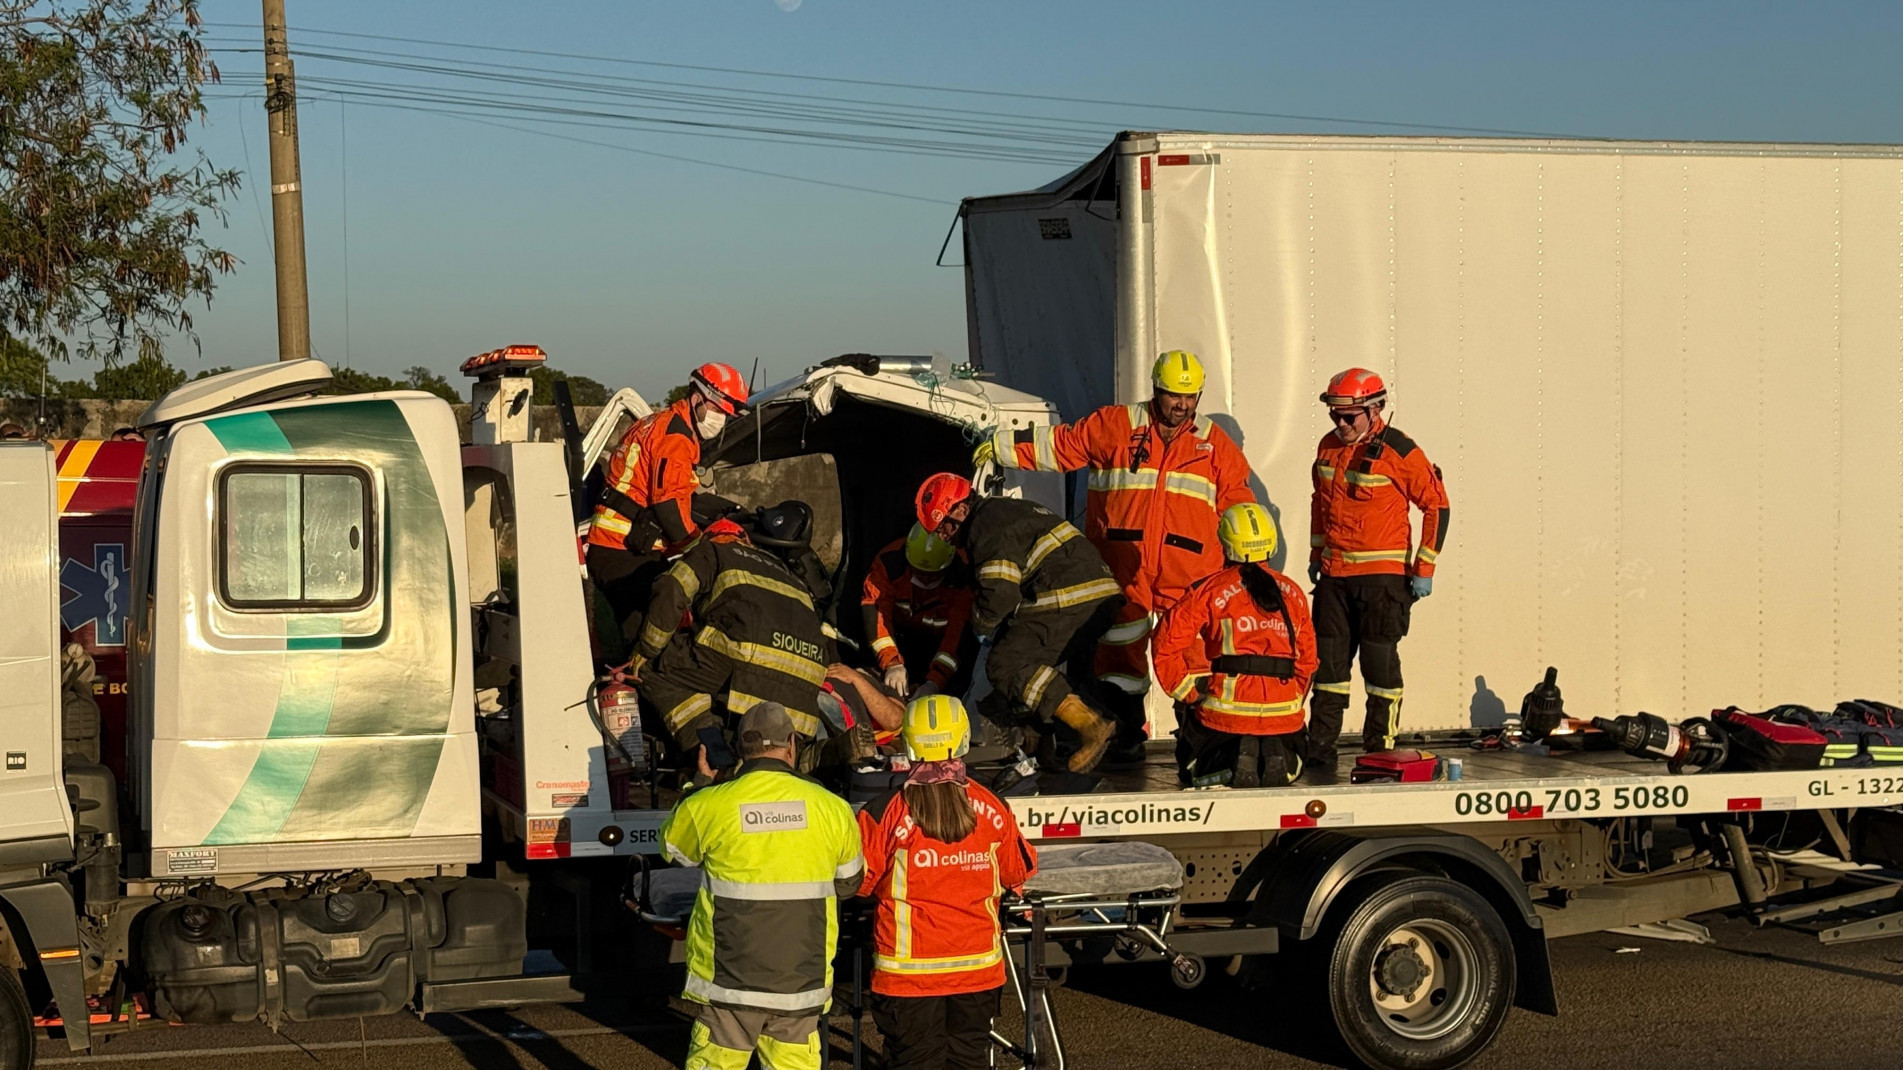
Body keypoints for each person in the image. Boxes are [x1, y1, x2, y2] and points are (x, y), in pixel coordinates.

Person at [974, 350, 1255, 762]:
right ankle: (1125, 739)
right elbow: (1061, 447)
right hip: (1124, 569)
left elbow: (1238, 504)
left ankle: (1204, 745)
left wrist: (1246, 564)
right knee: (1119, 659)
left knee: (1194, 660)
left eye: (1190, 397)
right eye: (1173, 396)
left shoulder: (1216, 446)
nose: (1181, 405)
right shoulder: (1116, 426)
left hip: (1192, 575)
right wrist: (1001, 447)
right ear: (1156, 391)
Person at [660, 702, 864, 1070]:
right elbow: (849, 884)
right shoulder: (833, 808)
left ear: (739, 749)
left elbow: (675, 853)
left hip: (729, 985)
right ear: (791, 745)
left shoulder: (709, 804)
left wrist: (702, 783)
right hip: (800, 984)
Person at [857, 695, 1037, 1070]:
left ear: (907, 742)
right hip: (976, 973)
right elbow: (1017, 871)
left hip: (906, 978)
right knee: (969, 1060)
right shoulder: (993, 807)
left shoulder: (883, 813)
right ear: (965, 739)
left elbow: (859, 883)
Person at [915, 473, 1120, 772]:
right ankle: (1069, 737)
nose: (944, 537)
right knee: (1033, 668)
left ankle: (1090, 725)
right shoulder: (1004, 512)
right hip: (1098, 598)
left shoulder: (984, 526)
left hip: (1067, 596)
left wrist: (980, 628)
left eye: (944, 527)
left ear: (960, 510)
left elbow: (999, 595)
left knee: (1005, 664)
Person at [1307, 368, 1450, 781]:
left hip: (1382, 581)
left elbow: (1437, 506)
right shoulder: (1328, 446)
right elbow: (1320, 502)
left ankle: (1380, 750)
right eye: (1336, 415)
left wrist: (1424, 568)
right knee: (1329, 671)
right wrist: (1317, 553)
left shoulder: (1400, 451)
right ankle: (1320, 748)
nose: (1341, 424)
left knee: (1379, 669)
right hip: (1335, 578)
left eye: (1350, 416)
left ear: (1375, 409)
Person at [630, 517, 829, 767]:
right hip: (807, 678)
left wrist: (646, 649)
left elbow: (672, 587)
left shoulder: (713, 551)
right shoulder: (790, 575)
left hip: (746, 658)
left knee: (652, 668)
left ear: (713, 537)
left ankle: (715, 758)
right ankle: (815, 754)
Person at [586, 362, 749, 655]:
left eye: (727, 414)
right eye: (719, 411)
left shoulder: (658, 424)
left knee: (653, 629)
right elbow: (667, 504)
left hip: (621, 548)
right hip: (622, 551)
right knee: (653, 639)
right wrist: (699, 548)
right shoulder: (676, 438)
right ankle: (633, 691)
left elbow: (678, 496)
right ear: (697, 398)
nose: (721, 420)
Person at [1154, 503, 1318, 788]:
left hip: (1224, 714)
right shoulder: (1293, 593)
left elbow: (1164, 644)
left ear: (1225, 543)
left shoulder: (1209, 591)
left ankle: (1233, 762)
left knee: (1193, 770)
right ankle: (1274, 753)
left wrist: (1189, 695)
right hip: (1284, 716)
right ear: (1272, 543)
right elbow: (1308, 661)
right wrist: (1290, 700)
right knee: (1295, 767)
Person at [861, 523, 975, 701]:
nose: (925, 579)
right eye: (919, 572)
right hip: (900, 637)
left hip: (938, 644)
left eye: (933, 575)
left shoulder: (963, 576)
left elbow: (957, 634)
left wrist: (935, 681)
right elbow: (876, 612)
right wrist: (892, 663)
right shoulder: (889, 563)